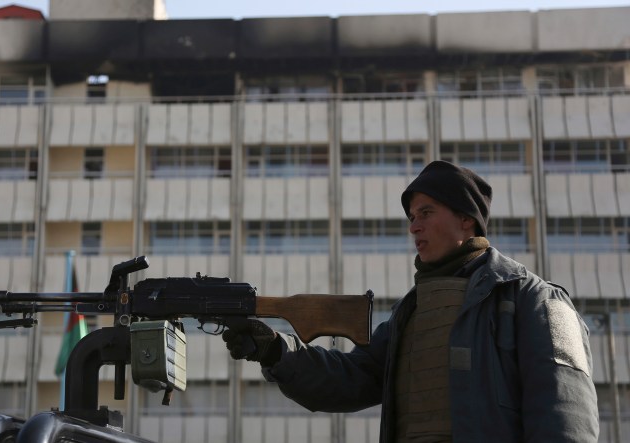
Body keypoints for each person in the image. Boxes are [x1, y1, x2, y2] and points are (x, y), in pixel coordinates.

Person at [223, 160, 599, 442]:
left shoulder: (535, 299)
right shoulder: (411, 311)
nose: (414, 226)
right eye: (411, 216)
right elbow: (351, 378)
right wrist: (276, 351)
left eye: (426, 213)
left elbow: (565, 415)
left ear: (467, 219)